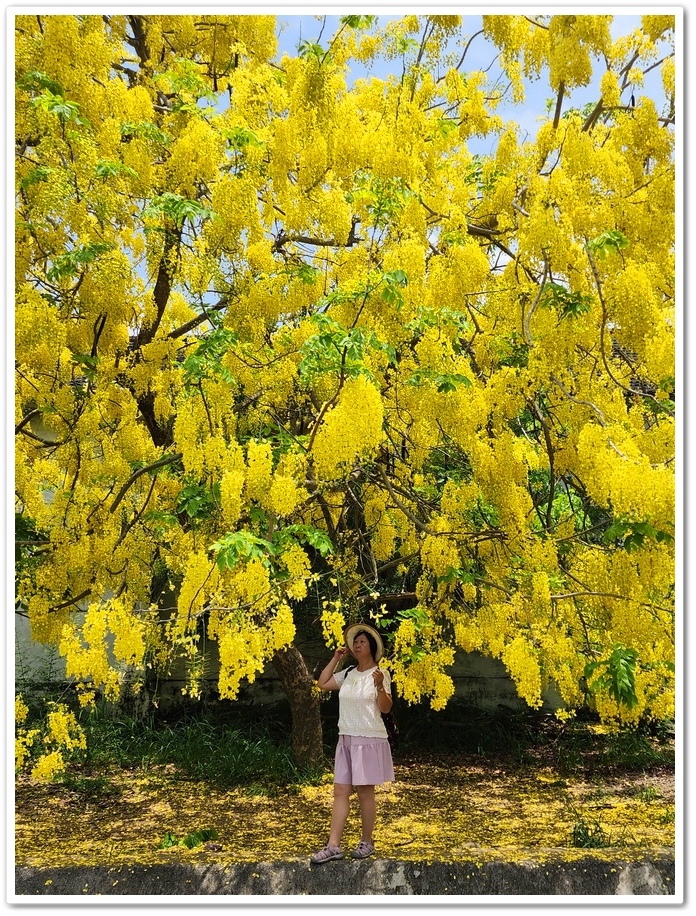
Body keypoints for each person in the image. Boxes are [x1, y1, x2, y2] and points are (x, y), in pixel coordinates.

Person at [310, 623, 394, 864]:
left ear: (371, 647)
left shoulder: (380, 674)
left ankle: (367, 842)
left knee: (365, 792)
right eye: (355, 642)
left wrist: (379, 687)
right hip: (345, 737)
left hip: (367, 738)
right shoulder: (347, 674)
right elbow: (322, 683)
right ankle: (333, 845)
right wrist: (335, 659)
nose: (357, 646)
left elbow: (386, 708)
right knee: (340, 791)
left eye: (362, 642)